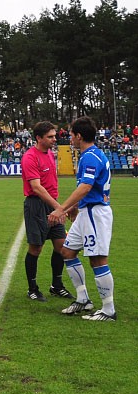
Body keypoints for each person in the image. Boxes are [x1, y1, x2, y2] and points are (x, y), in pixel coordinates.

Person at [48, 116, 116, 321]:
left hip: (96, 213)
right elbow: (88, 189)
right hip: (86, 211)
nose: (69, 138)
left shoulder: (90, 157)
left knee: (97, 259)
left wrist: (61, 209)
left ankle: (108, 309)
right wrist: (75, 207)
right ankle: (83, 299)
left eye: (70, 134)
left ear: (79, 136)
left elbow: (86, 187)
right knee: (67, 252)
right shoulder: (90, 155)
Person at [21, 121, 72, 301]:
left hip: (52, 204)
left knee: (62, 246)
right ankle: (32, 288)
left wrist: (56, 206)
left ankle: (56, 285)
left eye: (54, 135)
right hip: (36, 205)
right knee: (36, 248)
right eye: (50, 136)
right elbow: (36, 187)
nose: (54, 139)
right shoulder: (29, 157)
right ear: (38, 138)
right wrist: (59, 207)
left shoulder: (50, 153)